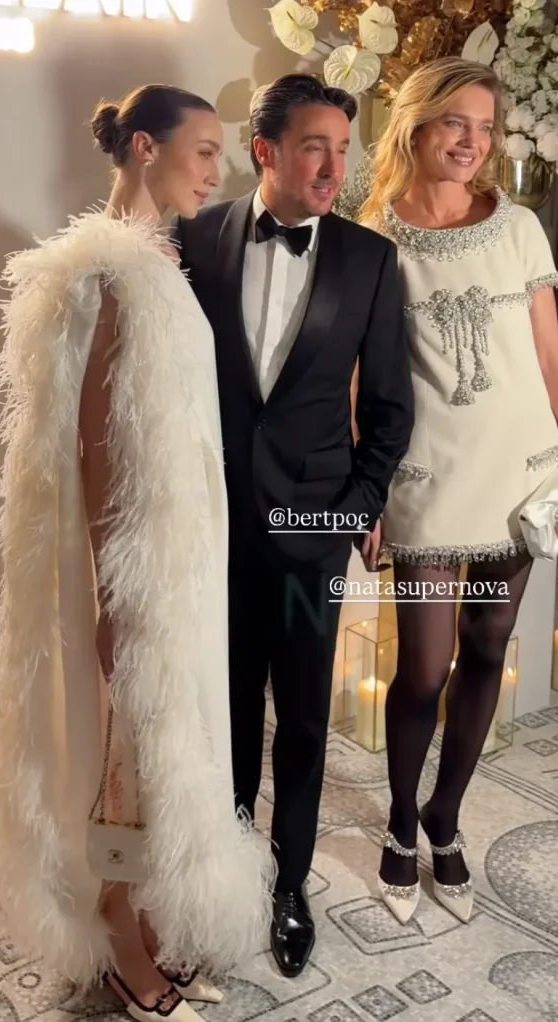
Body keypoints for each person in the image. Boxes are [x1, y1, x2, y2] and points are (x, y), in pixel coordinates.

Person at [0, 84, 275, 1022]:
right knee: (128, 744)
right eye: (204, 151)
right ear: (145, 148)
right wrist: (116, 588)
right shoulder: (104, 270)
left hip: (178, 551)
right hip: (136, 559)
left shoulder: (154, 262)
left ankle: (142, 911)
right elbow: (96, 441)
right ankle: (116, 929)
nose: (219, 170)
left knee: (161, 744)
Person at [173, 73, 414, 977]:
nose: (333, 169)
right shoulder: (194, 238)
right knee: (228, 709)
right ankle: (231, 875)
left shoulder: (370, 260)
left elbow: (390, 409)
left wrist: (353, 512)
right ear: (264, 151)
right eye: (316, 147)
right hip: (213, 524)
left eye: (343, 151)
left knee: (305, 718)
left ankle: (289, 885)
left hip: (313, 532)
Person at [358, 57, 558, 925]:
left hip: (519, 475)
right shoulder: (374, 236)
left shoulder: (519, 227)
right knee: (423, 668)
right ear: (416, 124)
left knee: (489, 647)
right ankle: (398, 821)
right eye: (456, 123)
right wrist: (366, 490)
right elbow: (360, 374)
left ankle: (444, 818)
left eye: (486, 127)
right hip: (426, 481)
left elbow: (551, 356)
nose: (472, 142)